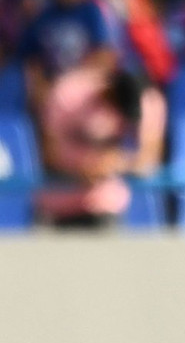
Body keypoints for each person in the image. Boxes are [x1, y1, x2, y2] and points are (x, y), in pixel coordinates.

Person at [35, 66, 165, 228]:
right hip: (57, 205)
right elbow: (47, 152)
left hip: (104, 207)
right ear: (109, 89)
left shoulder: (148, 102)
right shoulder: (68, 93)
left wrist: (116, 163)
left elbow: (148, 160)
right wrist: (83, 168)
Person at [18, 0, 118, 118]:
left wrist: (68, 83)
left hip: (86, 92)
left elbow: (105, 57)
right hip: (51, 95)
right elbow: (31, 60)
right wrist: (39, 85)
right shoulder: (42, 18)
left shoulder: (93, 12)